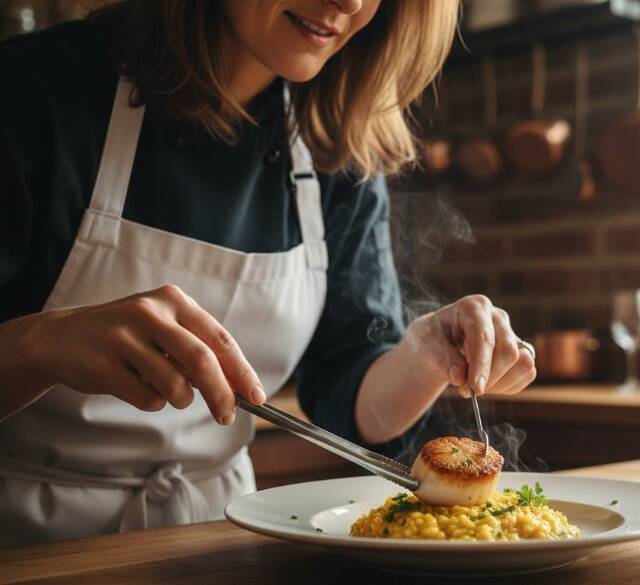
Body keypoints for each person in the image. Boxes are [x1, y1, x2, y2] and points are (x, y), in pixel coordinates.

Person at [0, 0, 536, 547]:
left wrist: (423, 356)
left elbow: (349, 397)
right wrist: (40, 344)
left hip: (220, 538)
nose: (349, 3)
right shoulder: (30, 89)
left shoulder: (334, 147)